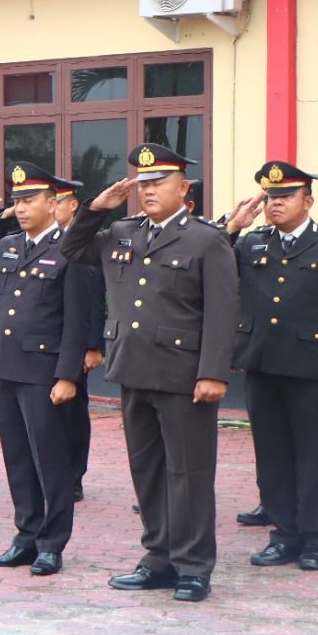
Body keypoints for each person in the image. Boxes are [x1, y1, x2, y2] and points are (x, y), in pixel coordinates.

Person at [59, 143, 238, 602]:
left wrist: (213, 372)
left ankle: (194, 566)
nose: (149, 191)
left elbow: (222, 311)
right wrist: (97, 208)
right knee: (149, 473)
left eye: (159, 183)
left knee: (190, 473)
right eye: (143, 184)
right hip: (133, 369)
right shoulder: (122, 230)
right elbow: (71, 248)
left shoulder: (205, 238)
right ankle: (159, 558)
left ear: (184, 187)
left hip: (183, 374)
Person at [0, 163, 96, 576]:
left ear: (54, 203)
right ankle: (25, 537)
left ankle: (52, 543)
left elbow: (77, 319)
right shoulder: (9, 245)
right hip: (8, 367)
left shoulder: (70, 249)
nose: (22, 207)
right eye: (18, 201)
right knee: (18, 459)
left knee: (51, 461)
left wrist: (68, 376)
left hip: (45, 372)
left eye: (30, 200)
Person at [221, 161, 318, 572]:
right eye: (270, 197)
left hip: (312, 369)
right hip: (262, 364)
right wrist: (232, 228)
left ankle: (316, 539)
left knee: (314, 457)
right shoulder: (252, 243)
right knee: (272, 454)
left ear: (308, 200)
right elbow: (213, 264)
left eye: (284, 197)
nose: (275, 204)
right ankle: (283, 534)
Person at [52, 187, 105, 502]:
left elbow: (94, 298)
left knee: (73, 412)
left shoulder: (83, 242)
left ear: (73, 206)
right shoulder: (49, 238)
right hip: (48, 340)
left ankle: (74, 475)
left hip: (76, 342)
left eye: (56, 201)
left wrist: (93, 345)